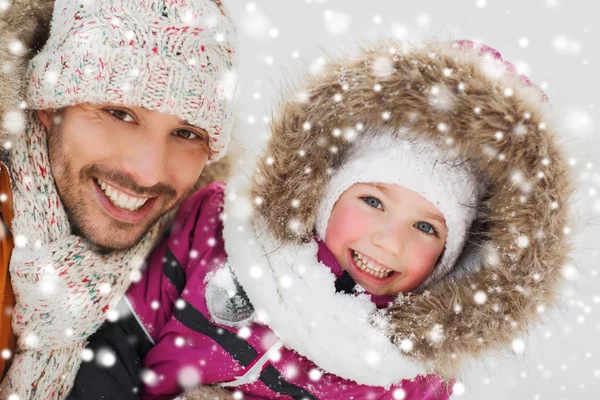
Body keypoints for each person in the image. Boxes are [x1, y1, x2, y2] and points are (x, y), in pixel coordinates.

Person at [124, 39, 573, 399]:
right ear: (327, 194)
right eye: (374, 201)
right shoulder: (222, 231)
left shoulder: (411, 375)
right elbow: (124, 335)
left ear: (450, 259)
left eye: (425, 227)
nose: (387, 242)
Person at [0, 0, 237, 398]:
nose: (148, 173)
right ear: (48, 105)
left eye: (186, 133)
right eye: (119, 113)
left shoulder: (197, 267)